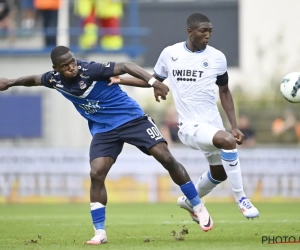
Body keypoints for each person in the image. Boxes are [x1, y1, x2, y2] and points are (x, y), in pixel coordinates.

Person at [0, 46, 214, 245]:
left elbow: (127, 66)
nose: (72, 67)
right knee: (96, 173)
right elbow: (34, 79)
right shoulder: (54, 79)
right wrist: (10, 82)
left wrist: (153, 82)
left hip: (132, 119)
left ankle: (197, 204)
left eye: (72, 62)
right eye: (65, 66)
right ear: (56, 69)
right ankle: (100, 232)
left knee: (165, 157)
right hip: (104, 130)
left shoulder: (90, 70)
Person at [109, 13, 260, 221]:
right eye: (203, 31)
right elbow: (153, 80)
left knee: (220, 173)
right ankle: (242, 199)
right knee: (226, 141)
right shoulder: (170, 53)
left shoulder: (217, 57)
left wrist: (234, 125)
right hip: (189, 126)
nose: (207, 35)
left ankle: (192, 200)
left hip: (212, 125)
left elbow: (224, 91)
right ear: (190, 31)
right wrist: (120, 79)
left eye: (210, 31)